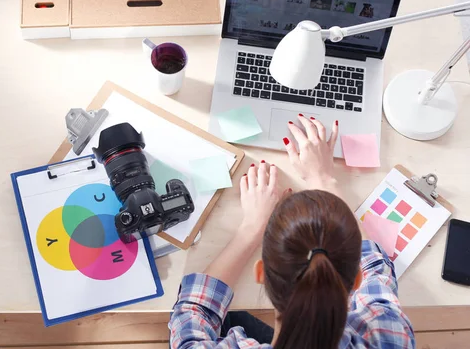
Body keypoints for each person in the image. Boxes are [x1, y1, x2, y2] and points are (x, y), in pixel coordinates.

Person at [169, 115, 415, 349]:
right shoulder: (390, 338)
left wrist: (252, 228)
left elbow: (191, 316)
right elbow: (376, 269)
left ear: (261, 272)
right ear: (356, 279)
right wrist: (323, 179)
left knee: (235, 319)